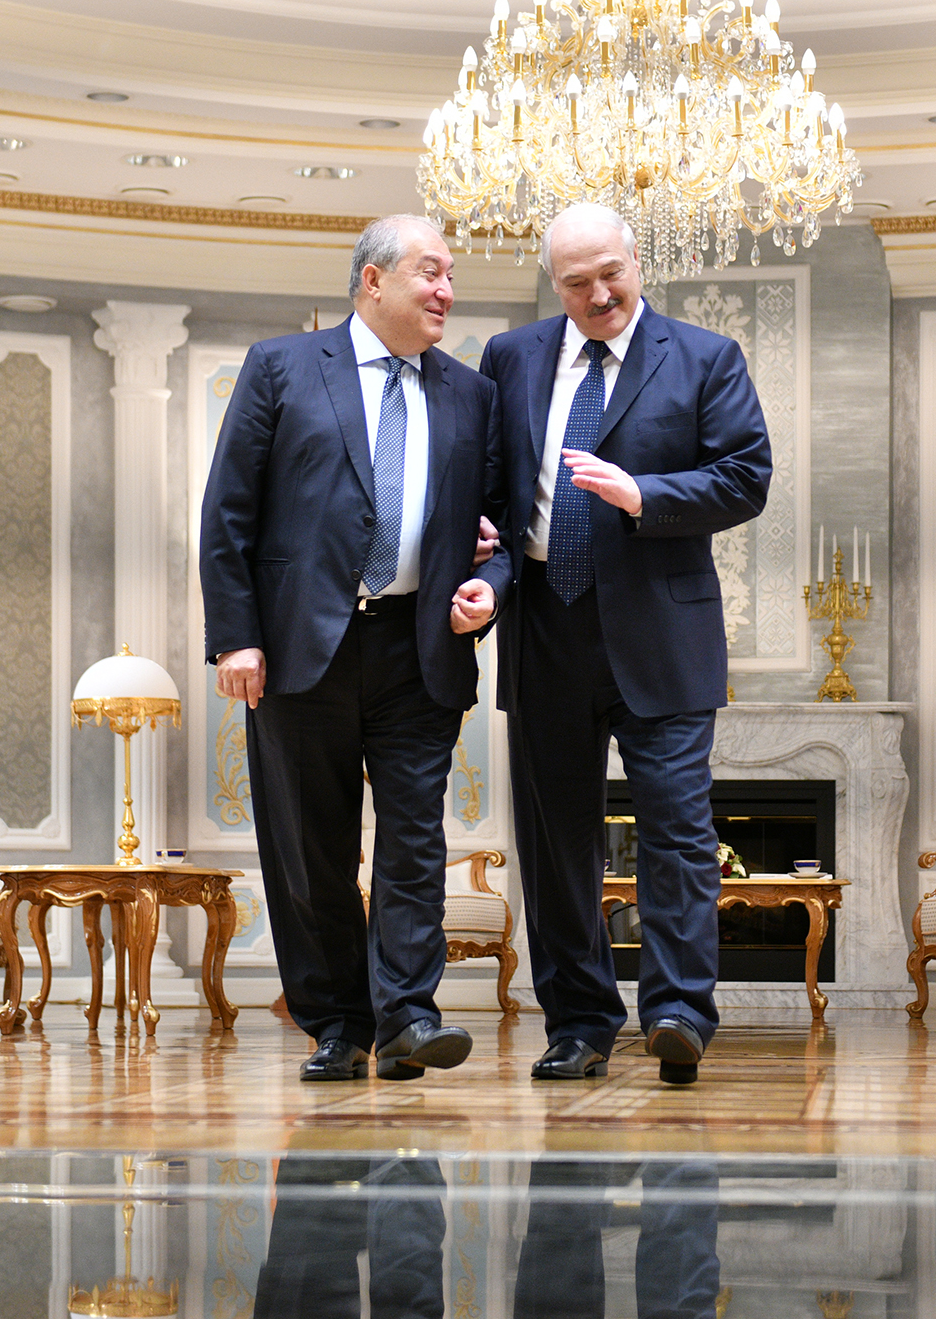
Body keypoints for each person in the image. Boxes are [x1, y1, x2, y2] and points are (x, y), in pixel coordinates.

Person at [200, 214, 510, 1082]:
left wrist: (491, 585)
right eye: (431, 272)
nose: (447, 290)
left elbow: (500, 530)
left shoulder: (472, 394)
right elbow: (228, 511)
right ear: (373, 280)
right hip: (301, 650)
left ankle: (408, 1016)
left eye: (451, 275)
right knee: (311, 849)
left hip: (421, 650)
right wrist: (236, 638)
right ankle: (338, 1022)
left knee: (414, 843)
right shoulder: (282, 367)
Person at [479, 203, 772, 1085]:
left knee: (676, 832)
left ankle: (679, 1013)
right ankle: (578, 1025)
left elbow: (745, 477)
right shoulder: (510, 357)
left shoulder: (706, 357)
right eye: (578, 282)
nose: (600, 294)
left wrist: (644, 494)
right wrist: (481, 553)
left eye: (612, 273)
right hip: (543, 628)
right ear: (554, 284)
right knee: (555, 844)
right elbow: (491, 487)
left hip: (662, 630)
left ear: (637, 262)